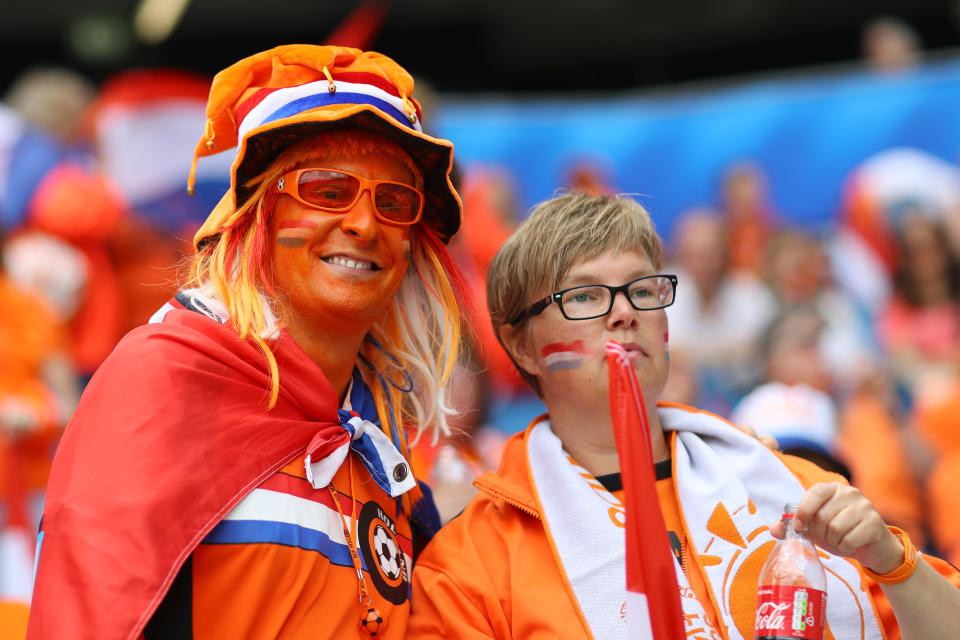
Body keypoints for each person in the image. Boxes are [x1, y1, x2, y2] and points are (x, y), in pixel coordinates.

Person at [28, 44, 465, 639]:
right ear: (258, 218)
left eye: (393, 203)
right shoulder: (163, 382)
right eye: (327, 190)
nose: (365, 224)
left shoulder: (377, 437)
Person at [408, 192, 960, 639]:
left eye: (642, 289)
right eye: (583, 296)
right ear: (521, 345)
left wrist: (895, 562)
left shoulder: (787, 483)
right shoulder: (472, 564)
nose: (624, 313)